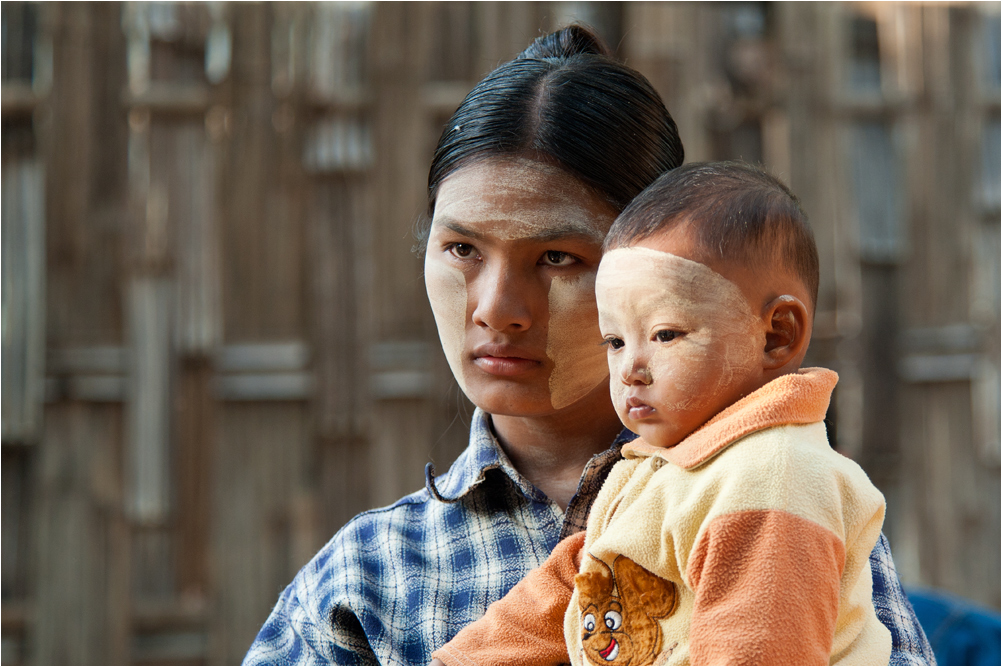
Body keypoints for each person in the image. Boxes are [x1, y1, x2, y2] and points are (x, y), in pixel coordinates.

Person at [243, 26, 933, 666]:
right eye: (461, 248)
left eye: (557, 258)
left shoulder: (780, 501)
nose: (495, 310)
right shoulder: (365, 582)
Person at [432, 162, 891, 666]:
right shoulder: (659, 472)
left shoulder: (772, 477)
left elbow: (759, 650)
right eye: (615, 341)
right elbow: (573, 584)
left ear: (776, 335)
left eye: (666, 335)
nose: (631, 369)